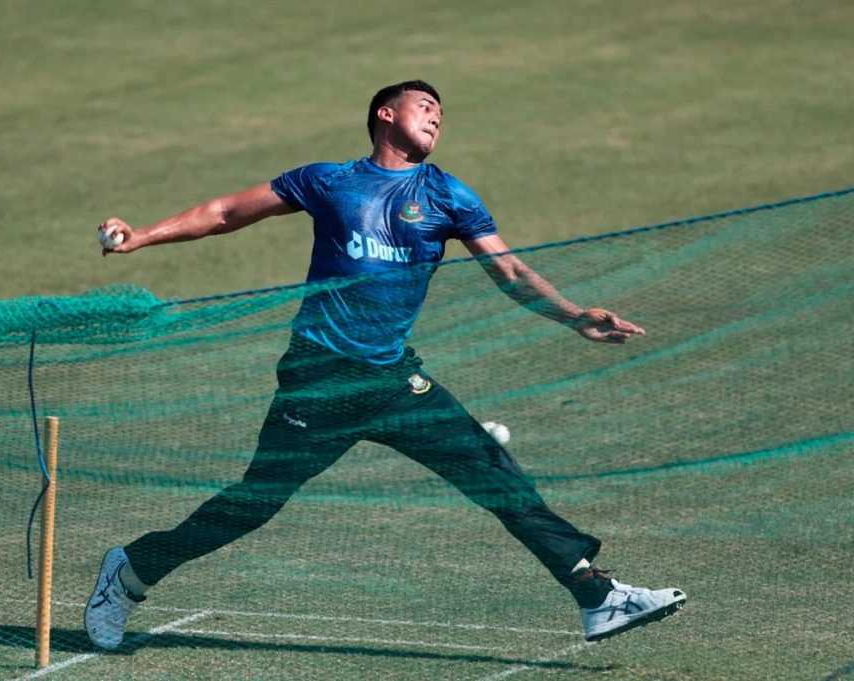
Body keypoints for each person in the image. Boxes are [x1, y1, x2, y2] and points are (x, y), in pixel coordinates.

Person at [85, 80, 686, 651]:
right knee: (253, 504)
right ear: (385, 115)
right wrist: (141, 237)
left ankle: (596, 594)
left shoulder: (449, 195)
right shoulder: (329, 181)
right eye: (424, 105)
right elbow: (224, 212)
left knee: (492, 470)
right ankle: (133, 570)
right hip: (319, 378)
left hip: (395, 380)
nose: (435, 117)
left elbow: (509, 272)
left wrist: (572, 314)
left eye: (441, 115)